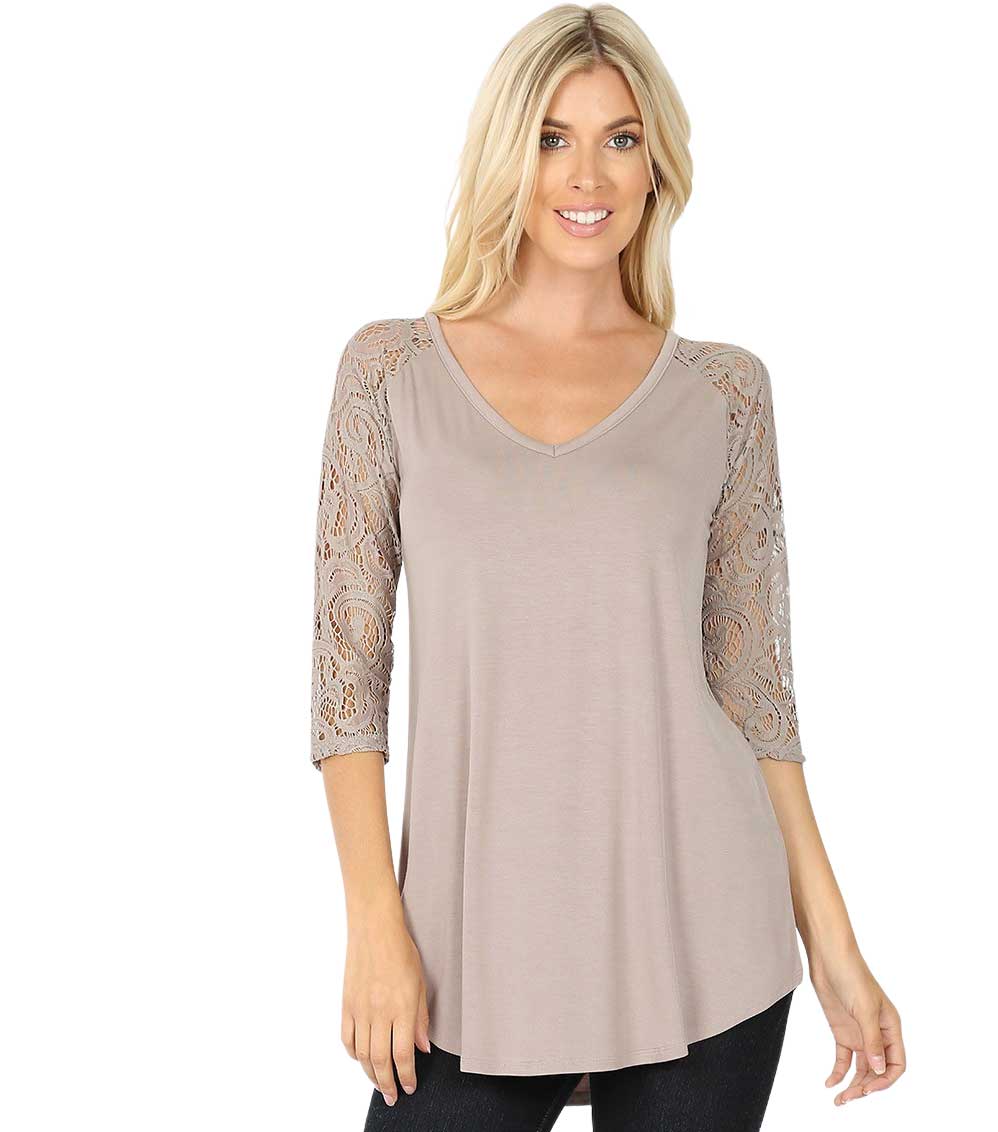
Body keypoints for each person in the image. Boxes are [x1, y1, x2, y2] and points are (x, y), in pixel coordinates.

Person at [310, 5, 905, 1128]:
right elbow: (347, 682)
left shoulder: (724, 392)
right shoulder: (389, 372)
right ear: (507, 154)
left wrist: (834, 945)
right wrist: (373, 922)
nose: (587, 174)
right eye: (552, 137)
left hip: (700, 933)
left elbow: (757, 694)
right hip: (464, 949)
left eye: (620, 138)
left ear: (656, 165)